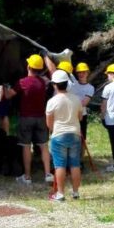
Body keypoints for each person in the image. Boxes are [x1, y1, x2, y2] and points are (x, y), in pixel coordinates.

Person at [5, 54, 53, 185]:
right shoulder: (43, 82)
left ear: (28, 66)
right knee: (44, 146)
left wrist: (5, 87)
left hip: (26, 118)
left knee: (26, 147)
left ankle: (27, 177)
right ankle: (48, 174)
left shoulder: (22, 82)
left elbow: (9, 95)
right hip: (41, 118)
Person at [46, 70, 83, 202]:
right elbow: (80, 117)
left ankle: (60, 194)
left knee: (60, 165)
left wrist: (53, 130)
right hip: (75, 134)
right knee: (75, 164)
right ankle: (76, 192)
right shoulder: (76, 99)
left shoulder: (52, 101)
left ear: (54, 85)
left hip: (59, 134)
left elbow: (49, 122)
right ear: (67, 83)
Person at [71, 63, 94, 140]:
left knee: (82, 138)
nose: (81, 74)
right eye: (79, 72)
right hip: (71, 114)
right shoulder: (73, 83)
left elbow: (84, 103)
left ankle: (82, 152)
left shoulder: (90, 88)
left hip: (82, 115)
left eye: (83, 72)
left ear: (88, 73)